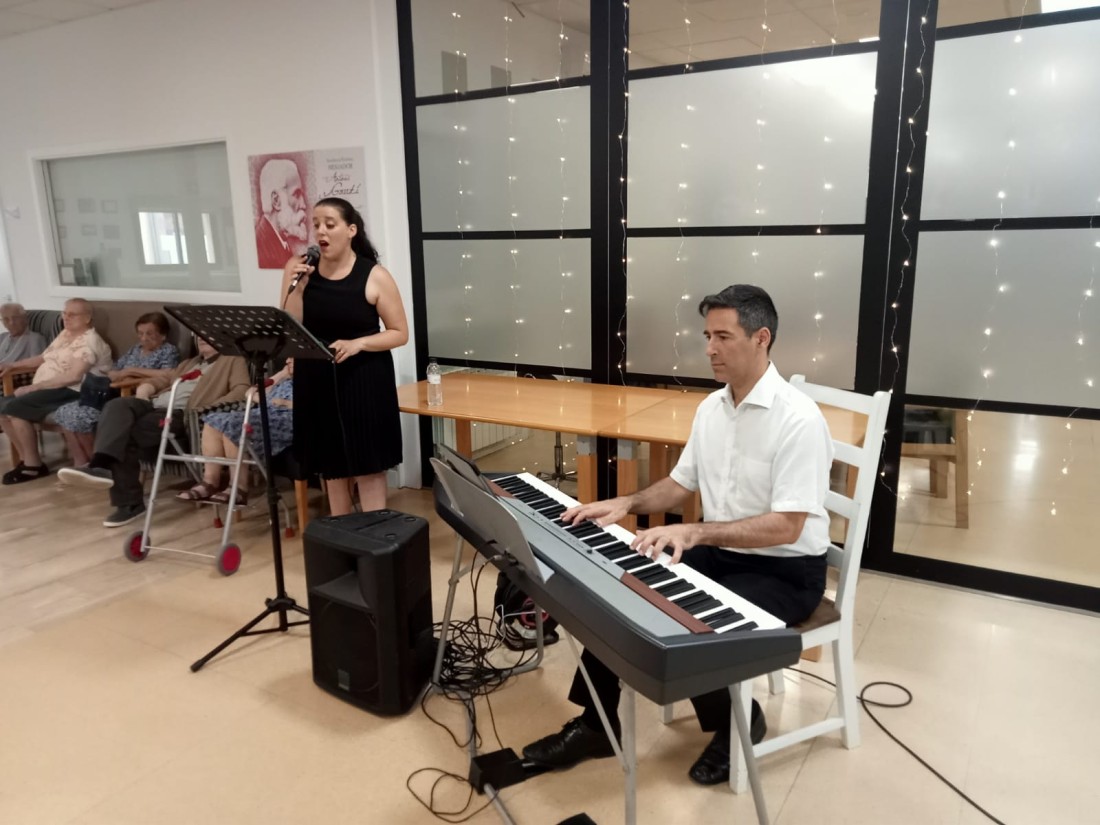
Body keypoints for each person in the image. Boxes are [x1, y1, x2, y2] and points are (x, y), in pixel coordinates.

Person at [521, 284, 834, 787]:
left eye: (723, 337)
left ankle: (739, 720)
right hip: (720, 553)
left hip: (786, 569)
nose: (709, 348)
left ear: (761, 338)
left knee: (690, 624)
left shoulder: (798, 419)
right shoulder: (712, 408)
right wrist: (626, 503)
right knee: (621, 591)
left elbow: (788, 525)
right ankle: (597, 725)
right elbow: (679, 484)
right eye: (707, 336)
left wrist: (695, 530)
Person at [281, 197, 408, 515]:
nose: (320, 231)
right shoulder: (299, 269)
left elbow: (399, 332)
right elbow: (291, 327)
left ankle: (375, 533)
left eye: (330, 224)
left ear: (351, 230)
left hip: (363, 378)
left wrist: (358, 344)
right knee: (331, 466)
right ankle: (341, 532)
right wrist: (298, 288)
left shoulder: (374, 275)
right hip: (316, 378)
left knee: (368, 465)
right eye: (316, 225)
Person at [56, 337, 249, 528]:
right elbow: (163, 379)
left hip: (179, 414)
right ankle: (102, 467)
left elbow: (241, 390)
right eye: (198, 335)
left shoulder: (232, 360)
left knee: (123, 434)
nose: (201, 338)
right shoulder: (189, 363)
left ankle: (126, 499)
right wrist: (145, 389)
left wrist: (206, 408)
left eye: (207, 335)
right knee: (116, 405)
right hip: (152, 405)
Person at [0, 298, 112, 484]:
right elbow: (43, 358)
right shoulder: (66, 334)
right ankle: (26, 460)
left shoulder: (90, 341)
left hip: (74, 390)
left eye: (72, 314)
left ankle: (33, 466)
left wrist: (33, 387)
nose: (66, 317)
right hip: (52, 387)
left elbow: (74, 376)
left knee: (15, 407)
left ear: (87, 318)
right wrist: (12, 365)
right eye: (64, 313)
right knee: (3, 407)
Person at [52, 312, 180, 466]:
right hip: (111, 391)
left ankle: (99, 465)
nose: (144, 338)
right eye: (140, 333)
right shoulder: (135, 349)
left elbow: (168, 374)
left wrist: (131, 371)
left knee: (81, 417)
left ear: (163, 335)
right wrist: (115, 374)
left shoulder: (168, 351)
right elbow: (116, 370)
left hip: (130, 397)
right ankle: (81, 461)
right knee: (65, 411)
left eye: (149, 334)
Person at [177, 360, 294, 506]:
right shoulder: (283, 381)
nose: (288, 361)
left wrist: (284, 403)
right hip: (263, 415)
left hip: (286, 420)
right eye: (288, 358)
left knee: (234, 425)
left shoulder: (311, 382)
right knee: (212, 420)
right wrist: (281, 374)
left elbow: (316, 406)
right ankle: (210, 481)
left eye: (293, 358)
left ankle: (239, 487)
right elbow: (251, 393)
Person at [255, 158, 309, 268]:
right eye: (296, 194)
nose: (303, 205)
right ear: (276, 201)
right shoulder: (262, 247)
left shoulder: (278, 242)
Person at [0, 303, 47, 374]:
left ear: (25, 318)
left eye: (15, 318)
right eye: (6, 319)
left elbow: (38, 366)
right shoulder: (2, 337)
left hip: (12, 377)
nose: (11, 323)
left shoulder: (35, 339)